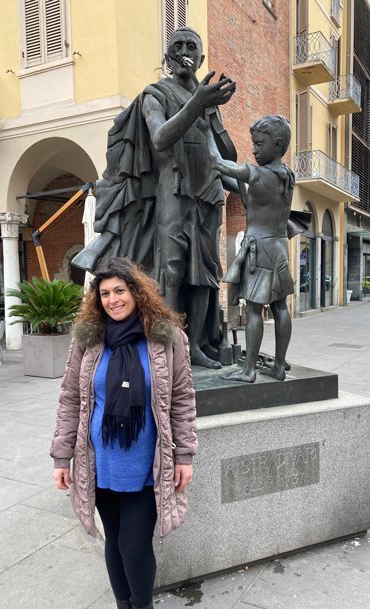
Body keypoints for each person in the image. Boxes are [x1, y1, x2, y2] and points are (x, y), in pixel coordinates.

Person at [50, 257, 197, 609]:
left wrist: (185, 455)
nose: (113, 299)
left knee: (135, 545)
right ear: (97, 299)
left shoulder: (168, 339)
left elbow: (182, 399)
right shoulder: (88, 339)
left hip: (148, 464)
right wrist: (61, 457)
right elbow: (70, 398)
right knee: (114, 542)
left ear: (136, 291)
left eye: (120, 290)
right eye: (105, 293)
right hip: (100, 463)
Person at [72, 27, 237, 370]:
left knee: (206, 274)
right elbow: (160, 138)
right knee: (172, 270)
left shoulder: (205, 100)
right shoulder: (155, 94)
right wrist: (197, 103)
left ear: (201, 58)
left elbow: (226, 152)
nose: (184, 51)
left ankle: (198, 346)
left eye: (192, 46)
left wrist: (213, 109)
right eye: (177, 46)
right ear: (167, 57)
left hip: (206, 190)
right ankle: (170, 346)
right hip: (172, 189)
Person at [205, 115, 295, 382]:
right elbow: (254, 202)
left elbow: (218, 162)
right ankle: (278, 366)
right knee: (280, 307)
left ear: (277, 145)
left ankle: (249, 370)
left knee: (254, 309)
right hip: (279, 245)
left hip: (260, 248)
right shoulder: (286, 175)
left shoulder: (258, 173)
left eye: (259, 144)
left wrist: (206, 121)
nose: (254, 150)